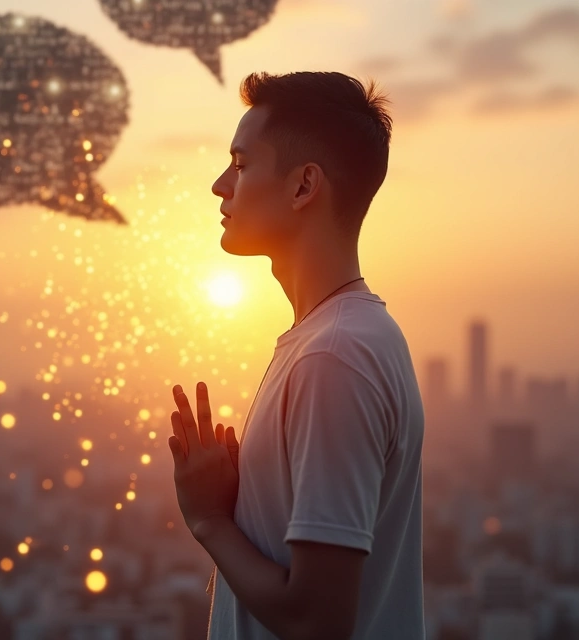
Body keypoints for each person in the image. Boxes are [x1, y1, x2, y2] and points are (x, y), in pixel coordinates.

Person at [166, 71, 425, 639]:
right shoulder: (342, 337)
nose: (219, 185)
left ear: (304, 186)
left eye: (240, 163)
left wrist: (210, 520)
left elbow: (316, 621)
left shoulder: (333, 356)